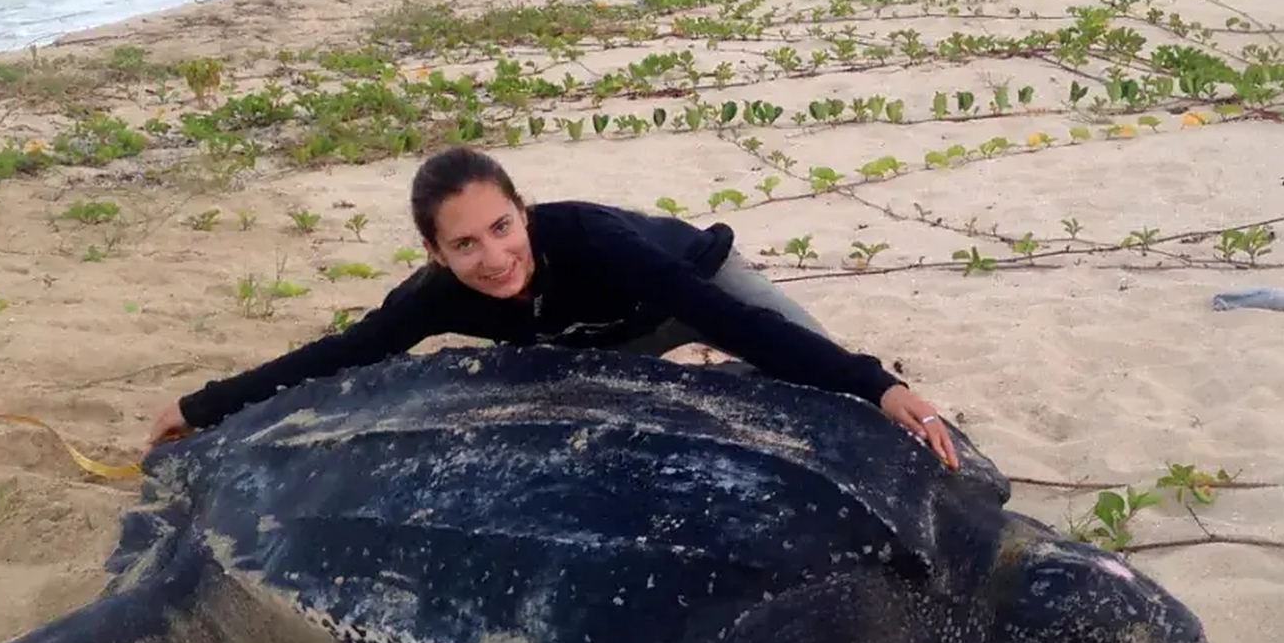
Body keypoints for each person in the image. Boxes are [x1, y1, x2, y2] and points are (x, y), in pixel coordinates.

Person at [144, 146, 960, 469]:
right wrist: (197, 407)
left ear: (524, 213)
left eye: (503, 228)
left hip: (685, 286)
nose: (494, 257)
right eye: (466, 246)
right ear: (436, 254)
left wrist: (879, 386)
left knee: (814, 377)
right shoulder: (433, 297)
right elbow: (337, 355)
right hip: (593, 338)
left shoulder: (592, 240)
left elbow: (740, 326)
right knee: (572, 415)